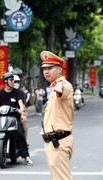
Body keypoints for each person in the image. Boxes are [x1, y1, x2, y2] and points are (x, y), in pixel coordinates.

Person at [0, 72, 33, 166]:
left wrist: (21, 109)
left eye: (13, 80)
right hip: (2, 116)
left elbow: (20, 104)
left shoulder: (17, 92)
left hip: (14, 116)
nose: (13, 82)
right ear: (5, 81)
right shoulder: (0, 92)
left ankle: (26, 156)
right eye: (11, 80)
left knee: (19, 132)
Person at [40, 51, 74, 180]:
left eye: (50, 68)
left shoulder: (64, 85)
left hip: (58, 141)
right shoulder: (53, 88)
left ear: (60, 69)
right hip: (54, 141)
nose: (46, 72)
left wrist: (59, 86)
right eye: (44, 69)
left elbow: (63, 87)